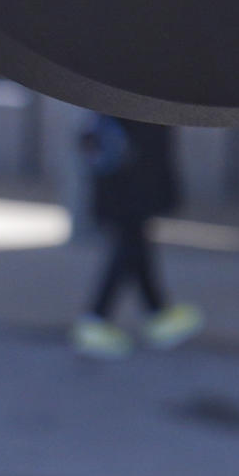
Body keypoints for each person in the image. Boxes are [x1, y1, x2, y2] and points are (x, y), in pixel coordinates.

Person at [72, 113, 198, 358]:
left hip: (127, 181)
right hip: (130, 183)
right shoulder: (131, 95)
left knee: (135, 245)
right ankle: (96, 319)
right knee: (127, 248)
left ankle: (157, 313)